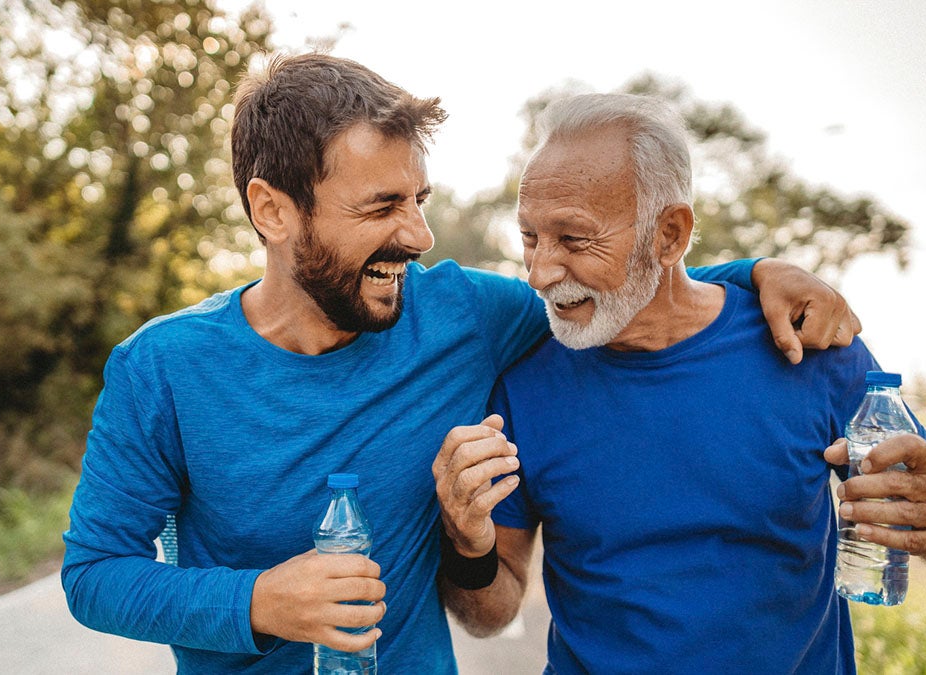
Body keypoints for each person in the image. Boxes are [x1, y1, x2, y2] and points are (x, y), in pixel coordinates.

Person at [61, 54, 863, 674]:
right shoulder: (161, 368)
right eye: (381, 207)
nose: (417, 236)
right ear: (273, 210)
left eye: (418, 199)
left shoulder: (464, 317)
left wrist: (754, 273)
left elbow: (623, 289)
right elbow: (94, 573)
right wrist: (258, 599)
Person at [433, 93, 926, 674]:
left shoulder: (806, 344)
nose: (540, 272)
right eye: (529, 237)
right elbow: (492, 613)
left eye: (575, 240)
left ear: (670, 235)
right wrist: (467, 542)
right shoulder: (524, 389)